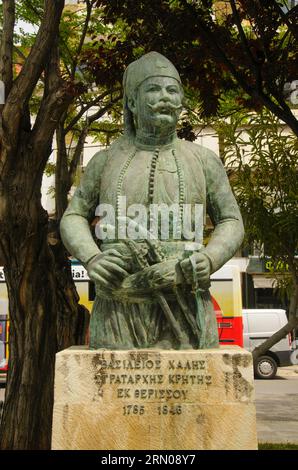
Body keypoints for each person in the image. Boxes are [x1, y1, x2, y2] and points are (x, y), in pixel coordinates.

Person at [60, 51, 244, 350]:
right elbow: (73, 216)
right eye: (153, 89)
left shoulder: (203, 160)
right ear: (132, 102)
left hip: (186, 306)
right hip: (117, 311)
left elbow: (231, 220)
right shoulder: (105, 161)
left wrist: (210, 258)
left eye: (172, 91)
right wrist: (92, 257)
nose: (165, 98)